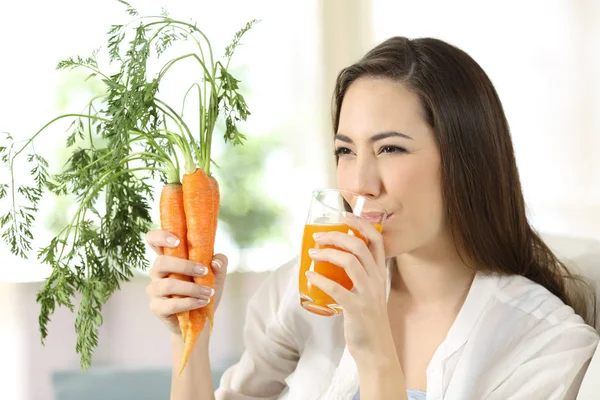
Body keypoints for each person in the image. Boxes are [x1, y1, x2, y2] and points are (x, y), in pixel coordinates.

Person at [144, 36, 599, 399]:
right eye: (345, 150)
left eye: (390, 149)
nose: (360, 182)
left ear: (466, 160)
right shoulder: (307, 291)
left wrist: (376, 353)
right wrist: (191, 334)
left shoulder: (546, 347)